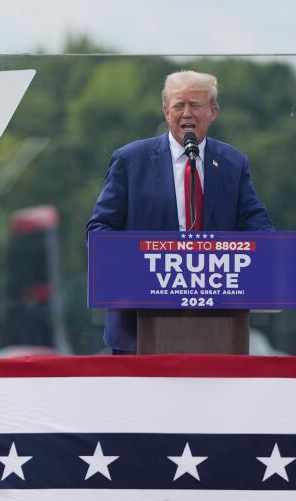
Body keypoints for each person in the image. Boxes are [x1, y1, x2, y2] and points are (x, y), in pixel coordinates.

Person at [87, 70, 275, 353]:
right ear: (166, 111)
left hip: (216, 330)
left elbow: (258, 228)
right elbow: (99, 232)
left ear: (212, 112)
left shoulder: (233, 164)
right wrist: (138, 262)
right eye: (178, 105)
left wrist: (268, 253)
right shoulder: (130, 161)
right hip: (137, 333)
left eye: (195, 105)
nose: (186, 113)